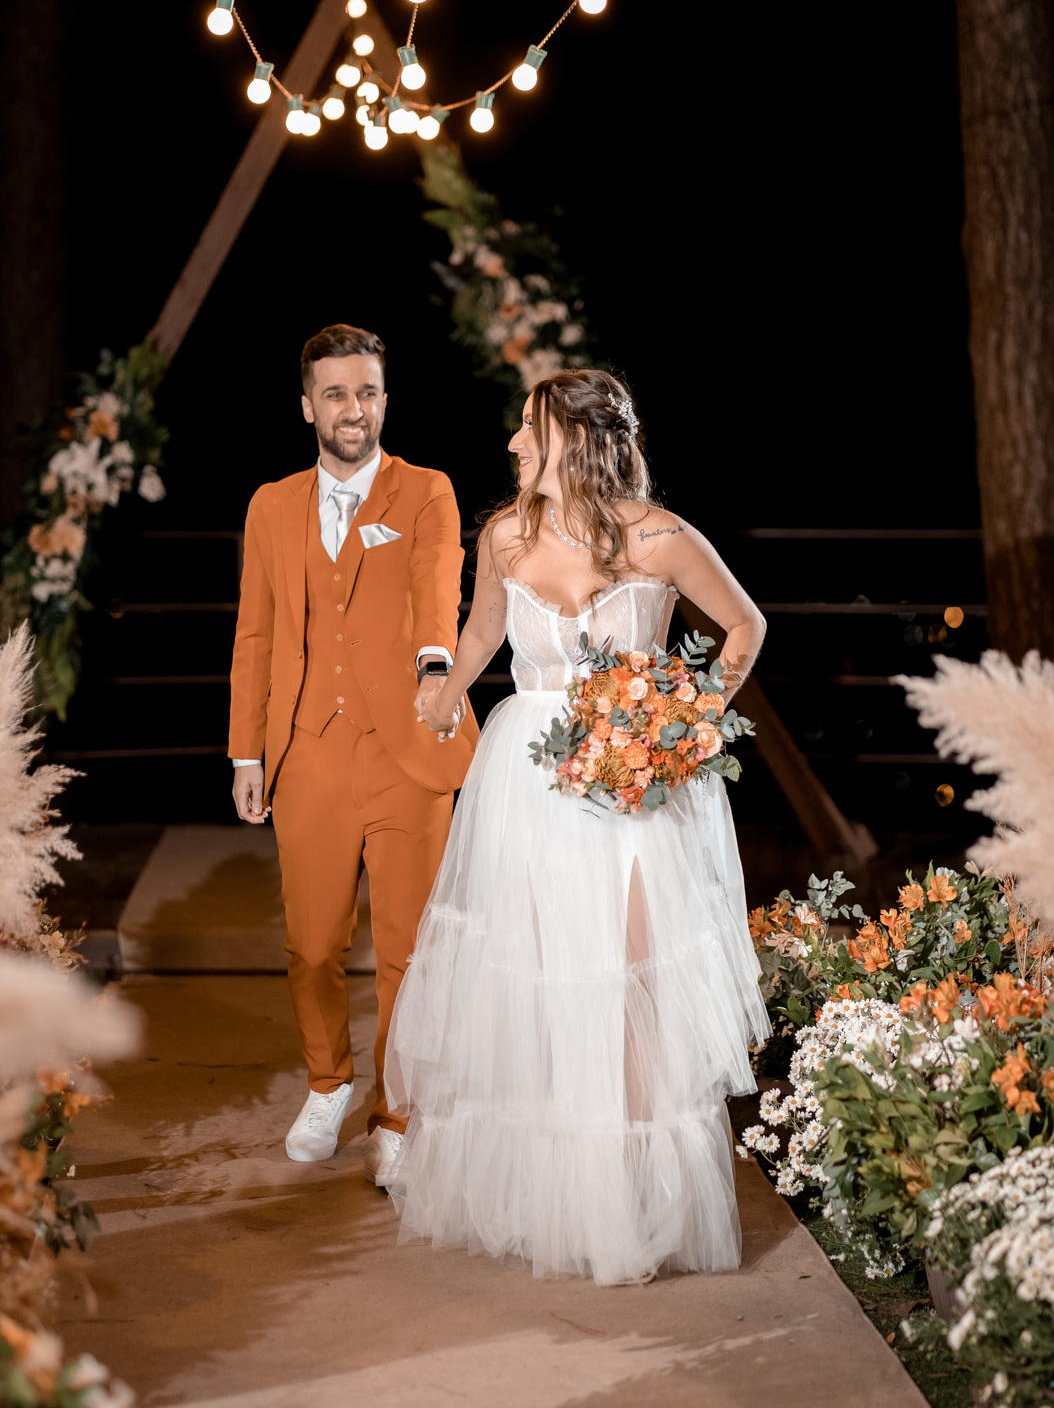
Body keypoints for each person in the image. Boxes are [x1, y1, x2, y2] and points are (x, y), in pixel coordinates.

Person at [383, 368, 770, 1286]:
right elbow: (482, 633)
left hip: (635, 789)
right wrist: (444, 694)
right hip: (527, 781)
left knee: (629, 983)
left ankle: (632, 1197)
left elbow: (744, 627)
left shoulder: (662, 538)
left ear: (579, 440)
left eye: (531, 427)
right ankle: (551, 1197)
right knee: (541, 980)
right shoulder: (505, 536)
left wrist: (686, 720)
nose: (514, 443)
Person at [228, 324, 476, 1185]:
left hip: (408, 745)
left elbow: (438, 585)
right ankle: (328, 1083)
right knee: (311, 943)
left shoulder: (426, 491)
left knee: (408, 947)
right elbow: (255, 634)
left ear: (384, 400)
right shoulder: (271, 505)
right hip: (307, 753)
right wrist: (246, 753)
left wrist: (436, 667)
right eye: (335, 393)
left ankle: (397, 1112)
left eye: (367, 391)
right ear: (307, 406)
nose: (353, 409)